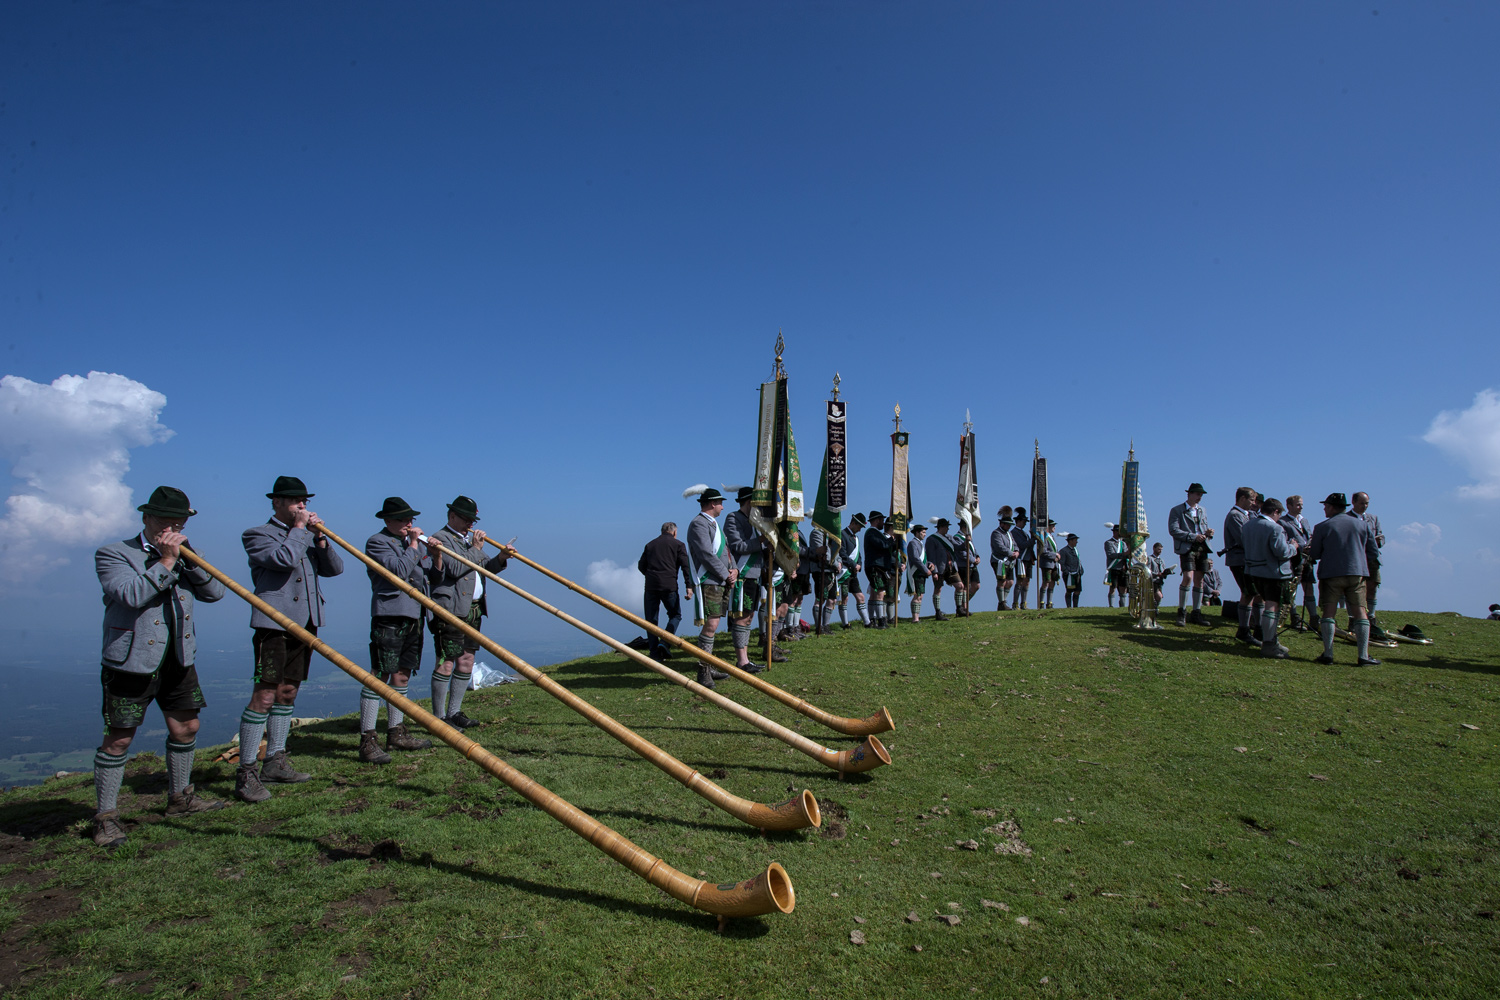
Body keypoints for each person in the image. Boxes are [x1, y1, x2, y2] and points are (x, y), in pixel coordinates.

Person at [91, 486, 228, 848]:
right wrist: (167, 562)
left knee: (186, 726)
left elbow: (215, 593)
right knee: (119, 737)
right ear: (145, 518)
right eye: (165, 520)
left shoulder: (186, 553)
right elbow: (132, 595)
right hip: (131, 661)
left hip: (179, 657)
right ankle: (105, 817)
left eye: (179, 521)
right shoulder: (114, 553)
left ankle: (180, 798)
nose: (172, 527)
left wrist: (190, 561)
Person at [235, 476, 344, 804]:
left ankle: (276, 760)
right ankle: (246, 771)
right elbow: (282, 560)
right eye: (296, 501)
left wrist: (321, 539)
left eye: (305, 502)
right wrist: (300, 530)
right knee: (265, 693)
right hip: (273, 623)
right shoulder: (257, 534)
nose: (302, 506)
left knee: (287, 691)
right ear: (277, 503)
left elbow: (335, 569)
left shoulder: (308, 536)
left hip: (306, 623)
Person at [359, 497, 438, 766]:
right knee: (380, 673)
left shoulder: (408, 545)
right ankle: (368, 738)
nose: (409, 524)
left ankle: (396, 730)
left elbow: (428, 574)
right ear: (388, 521)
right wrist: (416, 545)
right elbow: (399, 571)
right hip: (389, 614)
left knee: (402, 674)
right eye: (404, 520)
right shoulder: (377, 542)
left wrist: (434, 553)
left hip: (414, 614)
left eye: (411, 520)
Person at [427, 495, 511, 729]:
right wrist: (475, 548)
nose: (471, 524)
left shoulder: (467, 541)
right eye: (466, 519)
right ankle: (438, 717)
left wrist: (502, 558)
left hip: (474, 609)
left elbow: (486, 567)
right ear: (452, 516)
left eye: (473, 520)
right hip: (451, 609)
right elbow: (454, 568)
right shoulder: (440, 538)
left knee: (467, 660)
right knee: (446, 662)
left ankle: (454, 712)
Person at [1308, 492, 1382, 666]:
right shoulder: (1363, 526)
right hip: (1356, 574)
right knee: (1360, 613)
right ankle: (1363, 656)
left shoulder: (1322, 527)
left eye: (1326, 506)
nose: (1324, 509)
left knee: (1329, 613)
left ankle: (1328, 654)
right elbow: (1373, 551)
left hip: (1331, 574)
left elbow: (1315, 554)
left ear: (1332, 507)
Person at [684, 487, 737, 688]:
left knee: (714, 624)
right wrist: (725, 574)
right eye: (720, 503)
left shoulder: (713, 523)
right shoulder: (698, 524)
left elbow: (725, 551)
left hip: (720, 580)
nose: (723, 507)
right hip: (710, 580)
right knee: (711, 625)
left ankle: (709, 666)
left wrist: (733, 570)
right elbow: (706, 554)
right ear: (712, 504)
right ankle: (703, 670)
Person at [724, 487, 780, 664]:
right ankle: (742, 661)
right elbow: (738, 546)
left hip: (755, 575)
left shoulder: (756, 522)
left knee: (748, 618)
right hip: (743, 574)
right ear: (749, 503)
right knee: (742, 617)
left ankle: (745, 659)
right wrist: (762, 540)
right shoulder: (733, 518)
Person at [1243, 497, 1297, 659]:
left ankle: (1272, 640)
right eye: (1279, 515)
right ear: (1275, 512)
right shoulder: (1275, 528)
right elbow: (1282, 552)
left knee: (1267, 605)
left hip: (1254, 571)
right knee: (1272, 608)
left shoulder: (1248, 526)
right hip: (1273, 573)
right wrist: (1293, 547)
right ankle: (1268, 644)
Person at [638, 521, 695, 662]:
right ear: (674, 532)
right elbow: (685, 567)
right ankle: (665, 642)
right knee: (675, 615)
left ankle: (654, 653)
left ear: (662, 531)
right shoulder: (679, 545)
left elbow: (641, 565)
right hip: (669, 585)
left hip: (651, 586)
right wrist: (689, 586)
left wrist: (651, 575)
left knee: (651, 620)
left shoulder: (650, 544)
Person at [1167, 483, 1215, 626]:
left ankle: (1197, 612)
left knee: (1199, 579)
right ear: (1190, 494)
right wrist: (1193, 537)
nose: (1199, 497)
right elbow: (1174, 530)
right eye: (1197, 494)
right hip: (1188, 547)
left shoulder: (1202, 510)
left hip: (1202, 547)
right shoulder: (1177, 511)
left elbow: (1203, 527)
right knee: (1188, 576)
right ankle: (1182, 612)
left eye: (1201, 495)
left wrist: (1208, 534)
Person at [1222, 486, 1261, 645]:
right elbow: (1243, 538)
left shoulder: (1248, 515)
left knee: (1256, 593)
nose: (1253, 503)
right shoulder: (1234, 516)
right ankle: (1244, 629)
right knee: (1248, 593)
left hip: (1249, 560)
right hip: (1240, 560)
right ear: (1242, 498)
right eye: (1251, 500)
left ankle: (1258, 628)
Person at [1351, 492, 1388, 639]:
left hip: (1371, 558)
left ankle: (1371, 616)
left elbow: (1381, 536)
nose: (1364, 506)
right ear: (1354, 502)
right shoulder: (1348, 518)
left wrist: (1379, 541)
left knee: (1372, 586)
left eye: (1366, 503)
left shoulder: (1373, 518)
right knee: (1356, 589)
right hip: (1356, 558)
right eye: (1362, 503)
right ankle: (1354, 618)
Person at [1280, 495, 1316, 631]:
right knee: (1292, 589)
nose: (1300, 507)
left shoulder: (1304, 520)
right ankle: (1294, 617)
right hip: (1294, 559)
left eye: (1301, 504)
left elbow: (1309, 535)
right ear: (1289, 506)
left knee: (1309, 587)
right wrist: (1300, 547)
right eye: (1297, 505)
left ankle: (1314, 617)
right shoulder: (1284, 522)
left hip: (1307, 559)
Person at [863, 511, 899, 629]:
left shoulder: (875, 533)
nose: (883, 523)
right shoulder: (871, 533)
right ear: (877, 520)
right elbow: (882, 545)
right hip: (876, 566)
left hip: (878, 566)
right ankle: (881, 620)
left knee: (874, 593)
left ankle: (872, 619)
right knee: (879, 592)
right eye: (882, 520)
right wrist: (892, 538)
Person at [807, 519, 841, 636]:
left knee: (832, 599)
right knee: (820, 599)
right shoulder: (817, 533)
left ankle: (825, 626)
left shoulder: (831, 535)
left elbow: (837, 551)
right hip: (821, 569)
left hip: (831, 570)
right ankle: (818, 627)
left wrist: (839, 562)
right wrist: (836, 564)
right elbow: (822, 554)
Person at [836, 512, 869, 628]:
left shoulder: (856, 538)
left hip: (853, 573)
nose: (860, 529)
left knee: (861, 597)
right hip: (845, 572)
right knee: (844, 598)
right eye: (859, 526)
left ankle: (867, 623)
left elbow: (859, 555)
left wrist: (859, 565)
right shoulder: (842, 534)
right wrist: (853, 565)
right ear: (853, 523)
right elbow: (842, 553)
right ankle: (845, 624)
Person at [925, 517, 957, 621]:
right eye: (947, 527)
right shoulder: (932, 539)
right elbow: (931, 557)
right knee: (938, 589)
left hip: (951, 567)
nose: (948, 529)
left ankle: (960, 608)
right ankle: (938, 612)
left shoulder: (949, 537)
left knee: (960, 585)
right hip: (940, 568)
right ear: (941, 527)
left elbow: (958, 546)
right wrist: (934, 571)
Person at [990, 506, 1019, 610]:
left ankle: (1003, 602)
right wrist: (1011, 553)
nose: (1008, 527)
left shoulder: (1009, 534)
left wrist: (1016, 551)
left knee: (1010, 582)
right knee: (1001, 581)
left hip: (1009, 562)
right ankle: (1002, 603)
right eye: (1007, 524)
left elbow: (1014, 544)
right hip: (999, 561)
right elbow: (999, 547)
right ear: (1002, 523)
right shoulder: (996, 533)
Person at [906, 522, 935, 622]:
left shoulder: (920, 544)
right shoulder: (913, 543)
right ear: (917, 533)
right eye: (923, 532)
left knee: (920, 595)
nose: (925, 534)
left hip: (921, 572)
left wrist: (930, 564)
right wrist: (925, 570)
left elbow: (924, 560)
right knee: (917, 595)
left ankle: (917, 617)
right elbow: (915, 559)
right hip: (917, 573)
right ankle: (915, 618)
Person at [953, 523, 982, 616]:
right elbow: (961, 553)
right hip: (964, 565)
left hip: (972, 565)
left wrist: (977, 557)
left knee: (976, 585)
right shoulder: (957, 537)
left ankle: (963, 604)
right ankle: (964, 608)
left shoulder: (969, 537)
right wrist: (973, 560)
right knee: (965, 587)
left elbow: (973, 549)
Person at [1012, 507, 1036, 609]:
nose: (1025, 523)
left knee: (1026, 581)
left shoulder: (1024, 533)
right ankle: (1016, 603)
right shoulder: (1014, 532)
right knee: (1020, 581)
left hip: (1028, 558)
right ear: (1019, 521)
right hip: (1021, 559)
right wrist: (1033, 539)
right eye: (1024, 521)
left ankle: (1024, 602)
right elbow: (1021, 545)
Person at [1037, 519, 1062, 609]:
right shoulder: (1044, 537)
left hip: (1054, 563)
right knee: (1046, 582)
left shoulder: (1052, 537)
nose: (1054, 527)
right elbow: (1043, 551)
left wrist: (1057, 556)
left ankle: (1049, 602)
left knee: (1052, 582)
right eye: (1052, 525)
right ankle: (1041, 602)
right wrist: (1054, 555)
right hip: (1047, 563)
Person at [1103, 525, 1129, 608]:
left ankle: (1123, 606)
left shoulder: (1123, 543)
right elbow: (1111, 555)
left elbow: (1126, 555)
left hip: (1122, 568)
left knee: (1123, 588)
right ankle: (1111, 606)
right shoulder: (1108, 543)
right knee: (1113, 587)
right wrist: (1124, 554)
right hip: (1114, 567)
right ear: (1114, 532)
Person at [1059, 533, 1084, 608]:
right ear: (1070, 541)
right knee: (1069, 591)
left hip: (1077, 573)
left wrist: (1081, 570)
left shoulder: (1075, 550)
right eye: (1075, 540)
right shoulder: (1063, 551)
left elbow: (1078, 561)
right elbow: (1062, 563)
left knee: (1078, 591)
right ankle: (1069, 606)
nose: (1077, 542)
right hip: (1069, 574)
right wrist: (1066, 572)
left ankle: (1075, 606)